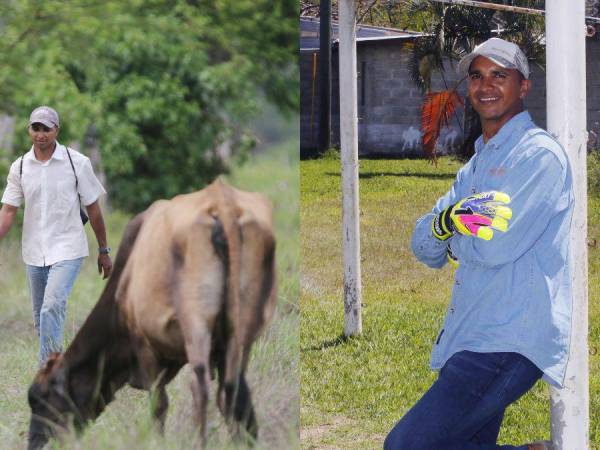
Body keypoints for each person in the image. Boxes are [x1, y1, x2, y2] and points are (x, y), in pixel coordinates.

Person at [384, 38, 573, 450]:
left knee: (406, 446)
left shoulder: (539, 158)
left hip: (509, 342)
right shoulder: (476, 165)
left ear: (523, 86)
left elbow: (494, 248)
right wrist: (447, 224)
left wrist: (451, 238)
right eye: (476, 75)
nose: (486, 85)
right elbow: (422, 244)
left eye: (499, 75)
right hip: (470, 335)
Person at [0, 106, 113, 365]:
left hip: (68, 248)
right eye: (35, 128)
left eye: (46, 129)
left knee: (52, 306)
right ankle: (57, 364)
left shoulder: (76, 163)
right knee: (42, 320)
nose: (40, 134)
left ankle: (47, 375)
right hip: (34, 251)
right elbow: (7, 212)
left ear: (56, 131)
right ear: (29, 130)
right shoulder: (19, 167)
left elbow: (94, 211)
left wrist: (104, 250)